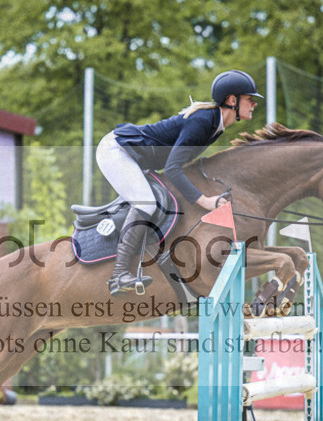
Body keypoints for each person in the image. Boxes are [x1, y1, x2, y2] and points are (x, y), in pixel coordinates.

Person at [95, 69, 262, 296]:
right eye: (249, 99)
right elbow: (173, 169)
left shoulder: (215, 124)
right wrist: (205, 201)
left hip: (137, 156)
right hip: (118, 150)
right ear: (232, 100)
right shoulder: (204, 122)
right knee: (146, 203)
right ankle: (119, 275)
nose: (253, 104)